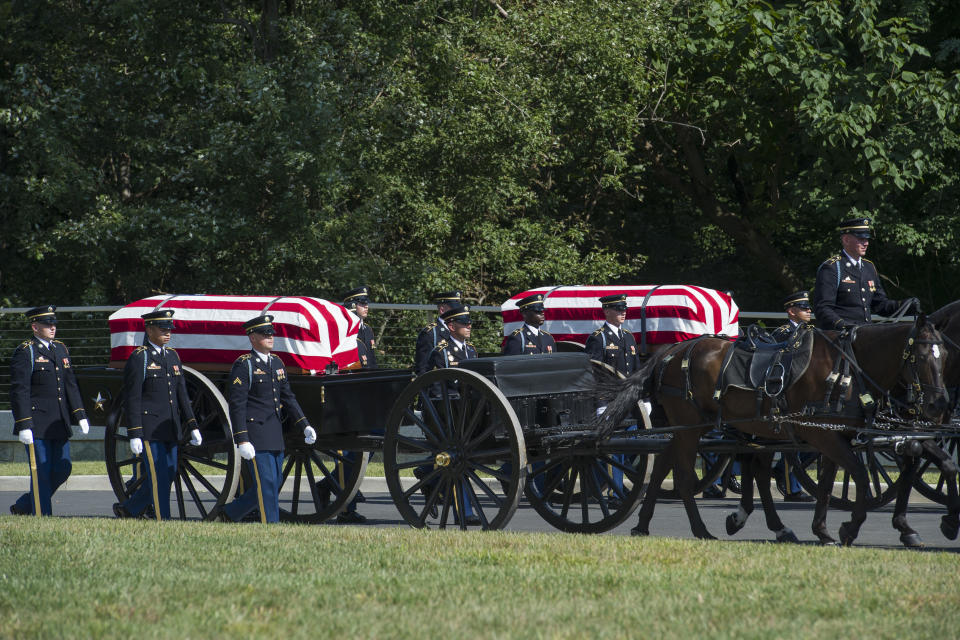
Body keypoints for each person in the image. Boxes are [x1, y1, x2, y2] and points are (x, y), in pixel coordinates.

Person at [218, 315, 317, 523]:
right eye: (265, 334)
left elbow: (288, 398)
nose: (270, 337)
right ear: (252, 338)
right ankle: (271, 525)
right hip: (255, 433)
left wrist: (305, 424)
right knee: (266, 483)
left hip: (273, 432)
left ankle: (232, 512)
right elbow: (237, 405)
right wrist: (242, 438)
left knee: (276, 481)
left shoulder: (277, 363)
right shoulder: (244, 365)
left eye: (271, 333)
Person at [113, 310, 203, 519]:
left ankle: (131, 508)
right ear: (149, 330)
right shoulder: (140, 357)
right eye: (162, 329)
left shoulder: (172, 356)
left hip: (170, 427)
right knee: (158, 474)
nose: (167, 333)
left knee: (169, 471)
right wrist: (134, 432)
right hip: (149, 428)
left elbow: (181, 394)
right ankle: (164, 518)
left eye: (169, 329)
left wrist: (193, 424)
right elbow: (133, 397)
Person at [8, 305, 89, 516]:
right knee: (41, 472)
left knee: (63, 468)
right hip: (37, 423)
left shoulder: (60, 348)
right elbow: (20, 391)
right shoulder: (26, 351)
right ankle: (43, 515)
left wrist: (80, 415)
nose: (52, 327)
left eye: (54, 323)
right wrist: (24, 424)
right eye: (47, 324)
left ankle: (25, 506)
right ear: (35, 327)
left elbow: (70, 384)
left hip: (58, 421)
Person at [418, 304, 480, 525]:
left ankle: (426, 470)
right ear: (452, 326)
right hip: (448, 414)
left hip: (467, 412)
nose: (469, 326)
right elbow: (437, 390)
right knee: (458, 460)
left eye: (469, 323)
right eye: (464, 323)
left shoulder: (471, 350)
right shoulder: (441, 351)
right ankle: (464, 512)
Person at [813, 217, 918, 330]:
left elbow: (880, 305)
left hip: (865, 335)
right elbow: (823, 309)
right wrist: (843, 325)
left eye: (867, 239)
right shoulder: (832, 267)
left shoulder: (869, 267)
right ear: (846, 240)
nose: (866, 243)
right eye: (861, 239)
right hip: (840, 337)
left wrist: (905, 306)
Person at [584, 294, 642, 376]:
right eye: (619, 310)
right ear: (607, 312)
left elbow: (636, 367)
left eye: (625, 309)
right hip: (610, 388)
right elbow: (593, 371)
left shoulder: (629, 336)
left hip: (630, 387)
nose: (624, 313)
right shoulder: (598, 338)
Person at [414, 290, 462, 375]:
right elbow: (422, 370)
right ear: (442, 310)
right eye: (454, 310)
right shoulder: (430, 334)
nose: (458, 313)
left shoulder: (460, 329)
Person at [344, 285, 377, 369]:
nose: (366, 306)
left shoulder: (368, 329)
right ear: (353, 305)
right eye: (362, 303)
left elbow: (372, 359)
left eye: (366, 303)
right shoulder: (346, 330)